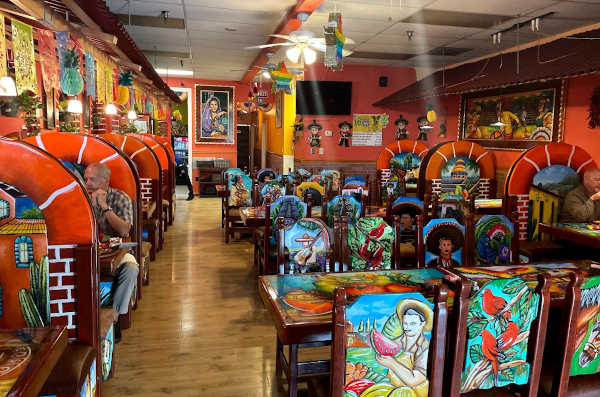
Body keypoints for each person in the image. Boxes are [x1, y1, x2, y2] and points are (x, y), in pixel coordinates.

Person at [84, 163, 139, 342]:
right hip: (88, 251)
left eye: (92, 179)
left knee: (131, 269)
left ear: (105, 181)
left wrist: (104, 207)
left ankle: (114, 317)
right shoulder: (80, 199)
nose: (87, 183)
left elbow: (124, 231)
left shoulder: (120, 198)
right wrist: (90, 208)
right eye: (85, 179)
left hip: (118, 251)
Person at [375, 299, 432, 396]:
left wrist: (392, 363)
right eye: (405, 323)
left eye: (412, 324)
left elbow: (414, 380)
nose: (407, 327)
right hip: (392, 390)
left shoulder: (424, 348)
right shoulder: (397, 342)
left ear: (422, 324)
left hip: (414, 393)